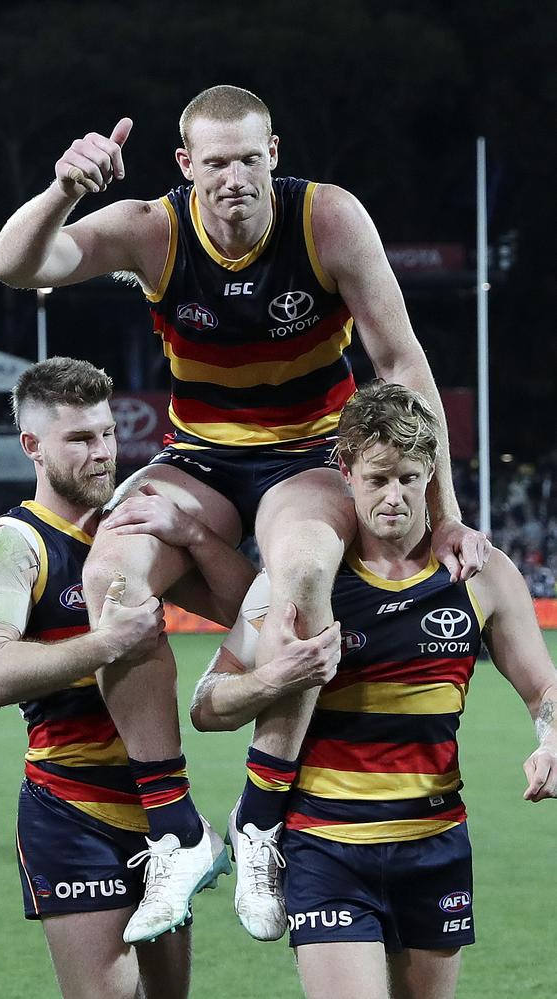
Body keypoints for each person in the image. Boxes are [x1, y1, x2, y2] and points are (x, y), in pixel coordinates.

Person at [0, 84, 490, 942]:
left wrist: (446, 510)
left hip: (310, 451)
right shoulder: (153, 227)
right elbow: (15, 265)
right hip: (201, 455)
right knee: (110, 569)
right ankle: (179, 832)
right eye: (215, 162)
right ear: (187, 167)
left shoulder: (327, 220)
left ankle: (259, 821)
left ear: (274, 156)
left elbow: (401, 361)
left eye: (249, 158)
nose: (234, 178)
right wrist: (65, 188)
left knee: (300, 566)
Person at [190, 382, 557, 998]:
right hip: (326, 848)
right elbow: (206, 706)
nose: (394, 497)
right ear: (346, 472)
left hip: (435, 844)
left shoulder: (482, 575)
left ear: (431, 475)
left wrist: (550, 740)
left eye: (410, 478)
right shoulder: (303, 578)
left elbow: (543, 688)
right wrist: (276, 678)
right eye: (378, 477)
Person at [0, 357, 252, 999]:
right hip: (72, 810)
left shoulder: (132, 534)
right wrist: (106, 642)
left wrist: (195, 535)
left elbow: (255, 613)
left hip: (160, 817)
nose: (103, 453)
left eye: (109, 434)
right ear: (32, 446)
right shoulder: (13, 545)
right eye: (80, 439)